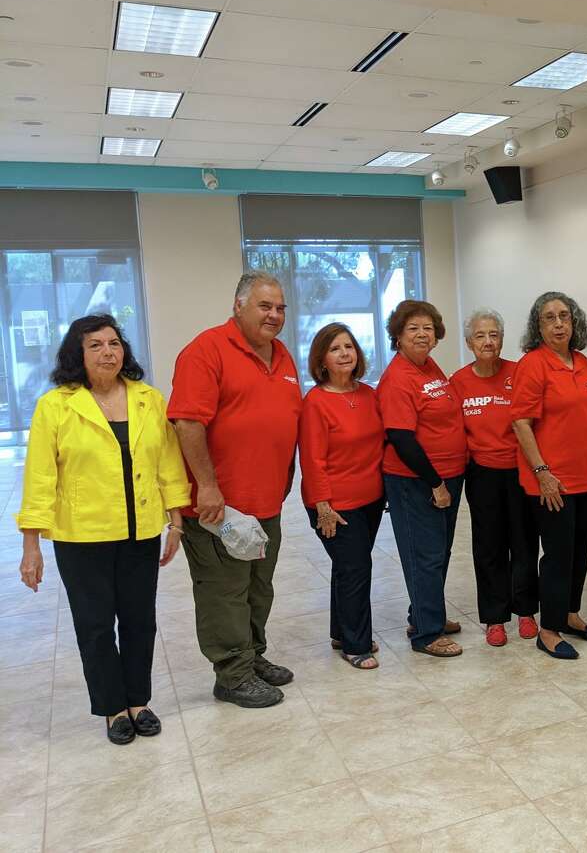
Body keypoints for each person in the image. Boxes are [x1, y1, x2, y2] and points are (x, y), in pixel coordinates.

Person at [17, 314, 190, 744]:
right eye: (95, 345)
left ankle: (138, 701)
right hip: (82, 537)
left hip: (141, 530)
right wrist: (31, 545)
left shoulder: (149, 399)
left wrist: (176, 520)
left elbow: (167, 463)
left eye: (113, 343)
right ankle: (112, 707)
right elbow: (40, 477)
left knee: (139, 620)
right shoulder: (55, 405)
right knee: (95, 626)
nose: (107, 352)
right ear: (77, 353)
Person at [169, 271, 302, 707]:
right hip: (218, 507)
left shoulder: (281, 355)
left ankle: (251, 657)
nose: (275, 315)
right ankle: (232, 674)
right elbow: (188, 421)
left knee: (257, 588)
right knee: (223, 592)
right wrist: (206, 486)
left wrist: (284, 476)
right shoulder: (206, 351)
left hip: (266, 503)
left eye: (280, 307)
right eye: (265, 306)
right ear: (239, 306)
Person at [512, 291, 587, 660]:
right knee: (557, 555)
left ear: (575, 323)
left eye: (564, 317)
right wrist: (542, 472)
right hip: (552, 481)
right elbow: (521, 423)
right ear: (537, 327)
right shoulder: (533, 365)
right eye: (549, 318)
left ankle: (571, 613)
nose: (558, 324)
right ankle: (549, 629)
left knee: (580, 551)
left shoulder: (584, 365)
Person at [377, 300, 468, 658]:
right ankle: (427, 635)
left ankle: (424, 614)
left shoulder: (430, 367)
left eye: (427, 328)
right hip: (416, 480)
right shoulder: (398, 377)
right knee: (424, 555)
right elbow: (402, 439)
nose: (421, 333)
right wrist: (435, 483)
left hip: (448, 473)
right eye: (412, 328)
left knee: (438, 552)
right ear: (398, 335)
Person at [450, 309, 539, 647]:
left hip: (520, 470)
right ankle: (495, 618)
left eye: (494, 335)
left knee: (525, 542)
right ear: (469, 342)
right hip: (482, 474)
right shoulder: (458, 382)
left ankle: (527, 611)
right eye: (480, 336)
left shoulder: (520, 373)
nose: (488, 341)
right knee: (489, 547)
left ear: (502, 339)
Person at [299, 323, 386, 669]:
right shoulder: (316, 403)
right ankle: (356, 644)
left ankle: (341, 631)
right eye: (335, 348)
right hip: (334, 504)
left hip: (371, 499)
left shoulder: (368, 395)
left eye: (349, 346)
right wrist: (323, 506)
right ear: (322, 359)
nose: (345, 353)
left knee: (348, 567)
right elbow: (312, 459)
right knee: (356, 568)